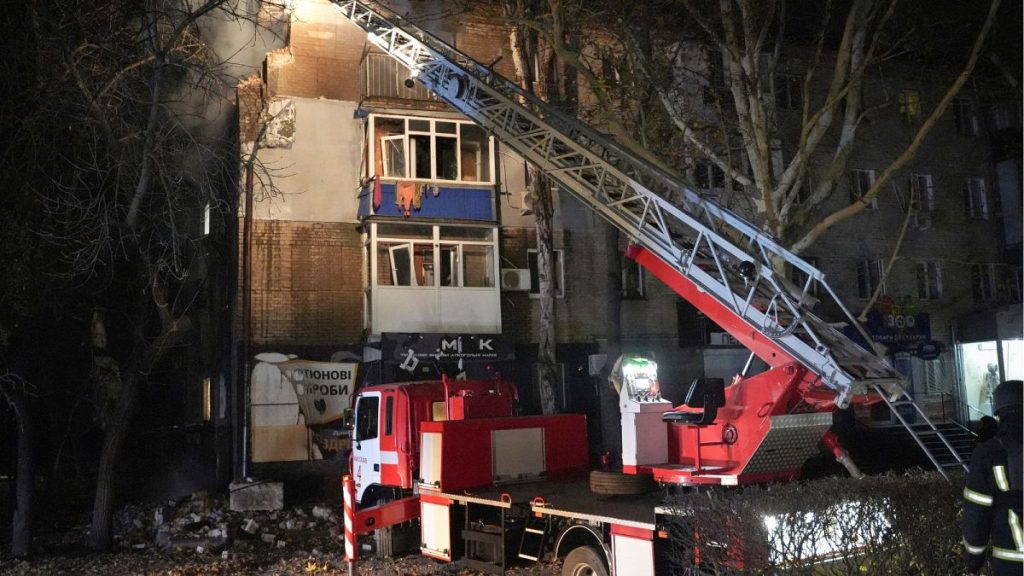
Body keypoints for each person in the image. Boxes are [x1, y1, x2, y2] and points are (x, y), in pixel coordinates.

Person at [962, 379, 1023, 576]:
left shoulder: (988, 454)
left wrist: (974, 561)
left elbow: (976, 515)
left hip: (1011, 564)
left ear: (998, 411)